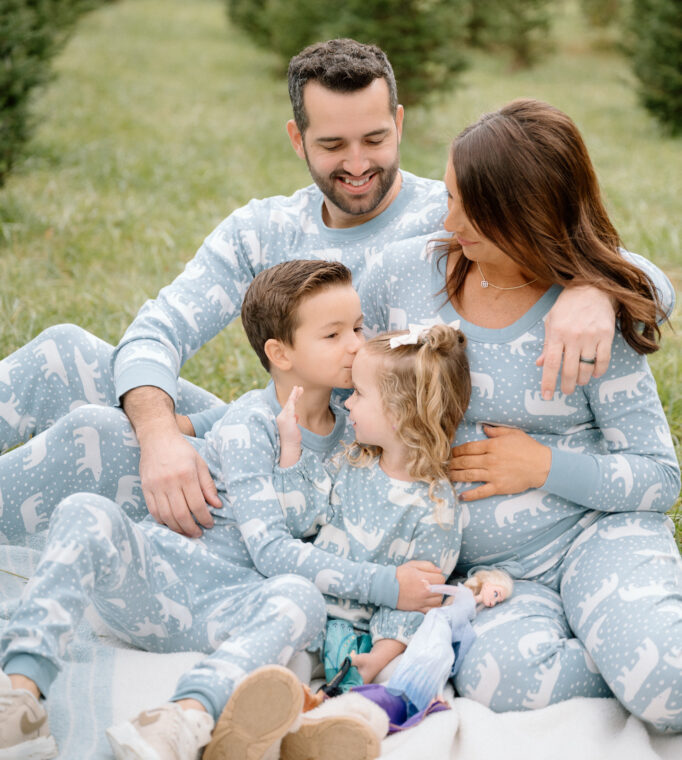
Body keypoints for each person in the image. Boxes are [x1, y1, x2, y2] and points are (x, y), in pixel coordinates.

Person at [0, 40, 654, 543]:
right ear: (297, 139)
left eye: (375, 138)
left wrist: (593, 290)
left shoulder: (456, 215)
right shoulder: (263, 230)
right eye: (333, 144)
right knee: (63, 351)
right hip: (277, 422)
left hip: (333, 468)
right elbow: (156, 332)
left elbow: (611, 263)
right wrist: (161, 437)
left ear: (399, 122)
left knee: (96, 437)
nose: (358, 164)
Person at [0, 260, 444, 760]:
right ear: (280, 353)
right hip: (161, 579)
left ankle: (184, 718)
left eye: (359, 328)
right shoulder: (248, 426)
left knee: (301, 599)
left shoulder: (356, 423)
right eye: (333, 334)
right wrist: (387, 586)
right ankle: (21, 695)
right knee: (87, 511)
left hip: (235, 604)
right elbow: (270, 548)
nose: (356, 345)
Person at [358, 98, 682, 733]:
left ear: (527, 212)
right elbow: (338, 367)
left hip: (596, 536)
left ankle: (637, 643)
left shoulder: (587, 321)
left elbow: (659, 478)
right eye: (449, 195)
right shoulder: (404, 277)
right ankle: (617, 645)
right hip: (495, 577)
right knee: (496, 681)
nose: (447, 219)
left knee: (667, 685)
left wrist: (541, 465)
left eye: (469, 207)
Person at [273, 322, 470, 689]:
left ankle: (352, 700)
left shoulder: (436, 509)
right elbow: (299, 520)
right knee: (284, 660)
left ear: (398, 414)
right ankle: (282, 699)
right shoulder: (352, 461)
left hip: (368, 637)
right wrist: (291, 448)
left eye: (358, 394)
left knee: (394, 674)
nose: (346, 402)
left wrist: (378, 655)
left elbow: (421, 599)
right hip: (308, 609)